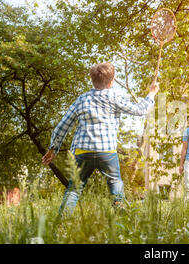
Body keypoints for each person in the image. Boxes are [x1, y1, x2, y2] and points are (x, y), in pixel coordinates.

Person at [42, 62, 159, 214]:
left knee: (74, 190)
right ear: (111, 82)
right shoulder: (114, 97)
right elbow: (140, 110)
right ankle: (122, 224)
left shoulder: (82, 99)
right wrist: (152, 93)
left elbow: (62, 126)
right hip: (107, 152)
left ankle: (61, 226)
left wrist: (53, 149)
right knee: (116, 185)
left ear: (92, 80)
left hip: (82, 151)